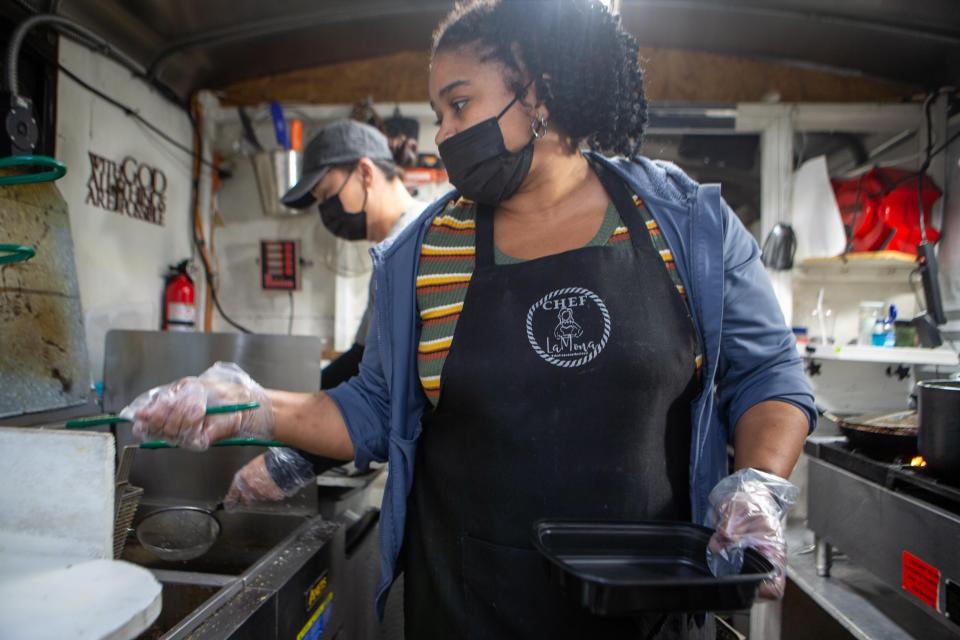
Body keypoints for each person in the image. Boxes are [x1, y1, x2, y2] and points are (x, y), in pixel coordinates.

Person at [123, 2, 815, 638]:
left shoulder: (686, 224)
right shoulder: (424, 253)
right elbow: (371, 407)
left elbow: (769, 374)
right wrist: (250, 406)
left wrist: (757, 484)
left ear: (539, 90)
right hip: (469, 607)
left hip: (648, 608)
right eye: (439, 113)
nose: (445, 134)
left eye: (459, 105)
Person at [226, 119, 427, 505]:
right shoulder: (391, 252)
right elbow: (360, 362)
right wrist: (298, 420)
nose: (326, 211)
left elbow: (385, 394)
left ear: (365, 172)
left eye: (328, 194)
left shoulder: (413, 243)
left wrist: (295, 457)